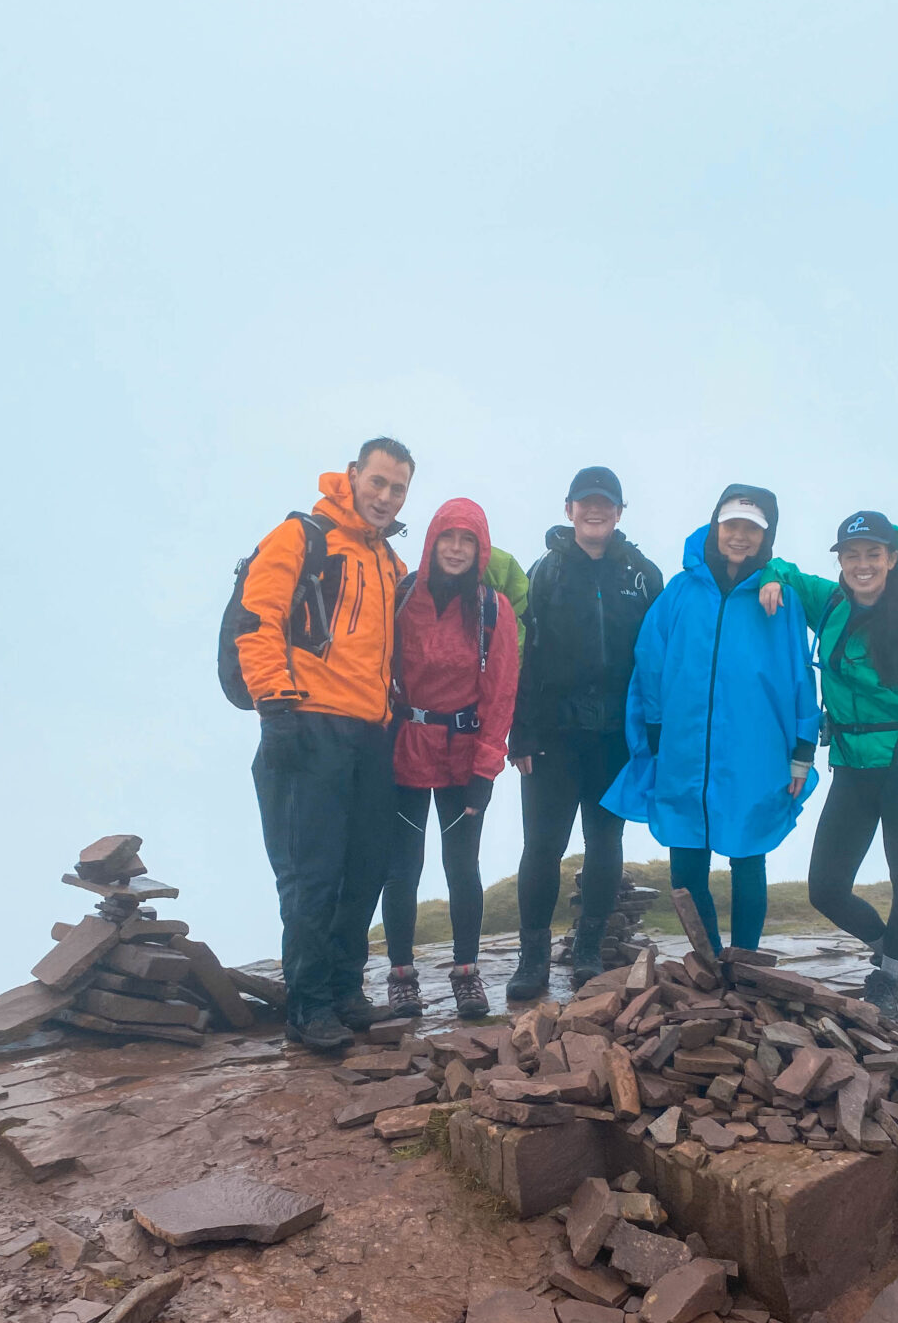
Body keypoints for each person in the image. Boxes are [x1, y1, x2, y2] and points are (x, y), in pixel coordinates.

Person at [236, 437, 412, 1052]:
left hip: (370, 734)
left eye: (398, 489)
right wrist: (275, 708)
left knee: (364, 869)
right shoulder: (302, 537)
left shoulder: (389, 563)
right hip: (305, 725)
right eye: (379, 483)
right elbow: (256, 621)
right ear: (354, 476)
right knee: (311, 875)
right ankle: (308, 1005)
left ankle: (343, 988)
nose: (387, 497)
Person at [603, 488, 818, 955]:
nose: (739, 536)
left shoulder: (778, 599)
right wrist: (655, 733)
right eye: (732, 525)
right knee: (685, 865)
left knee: (747, 854)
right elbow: (651, 662)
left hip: (754, 752)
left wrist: (802, 750)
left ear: (766, 535)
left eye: (752, 528)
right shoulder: (681, 591)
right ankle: (711, 957)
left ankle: (744, 963)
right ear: (716, 527)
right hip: (684, 748)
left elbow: (800, 674)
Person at [759, 510, 898, 1020]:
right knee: (825, 887)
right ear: (841, 561)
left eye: (873, 554)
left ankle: (887, 981)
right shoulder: (832, 604)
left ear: (892, 559)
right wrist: (775, 580)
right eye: (851, 555)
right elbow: (782, 566)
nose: (861, 565)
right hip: (852, 769)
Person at [505, 466, 663, 1000]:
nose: (595, 511)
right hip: (553, 735)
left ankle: (588, 951)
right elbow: (523, 656)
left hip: (617, 735)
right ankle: (531, 961)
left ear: (620, 512)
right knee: (542, 846)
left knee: (605, 842)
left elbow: (658, 660)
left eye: (606, 503)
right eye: (585, 502)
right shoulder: (543, 574)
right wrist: (520, 731)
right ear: (569, 508)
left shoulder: (644, 575)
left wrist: (655, 735)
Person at [381, 499, 520, 1020]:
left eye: (468, 540)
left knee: (462, 866)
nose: (457, 549)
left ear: (480, 548)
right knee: (402, 867)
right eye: (448, 538)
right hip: (406, 749)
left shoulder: (493, 610)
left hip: (464, 755)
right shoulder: (401, 598)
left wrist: (487, 769)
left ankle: (466, 972)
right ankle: (401, 976)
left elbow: (500, 691)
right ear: (432, 541)